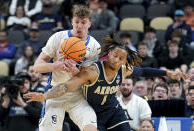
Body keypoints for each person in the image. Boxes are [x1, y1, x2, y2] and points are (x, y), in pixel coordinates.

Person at [24, 36, 188, 131]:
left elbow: (144, 71)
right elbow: (66, 86)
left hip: (113, 110)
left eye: (121, 58)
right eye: (115, 55)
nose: (116, 60)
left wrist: (169, 73)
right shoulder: (92, 71)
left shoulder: (124, 70)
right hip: (93, 114)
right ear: (109, 53)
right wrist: (45, 95)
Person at [25, 5, 101, 131]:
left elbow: (89, 80)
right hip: (54, 93)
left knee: (91, 128)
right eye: (77, 22)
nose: (79, 26)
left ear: (89, 24)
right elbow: (37, 67)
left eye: (83, 22)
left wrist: (75, 71)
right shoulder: (58, 38)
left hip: (78, 94)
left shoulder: (94, 47)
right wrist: (55, 65)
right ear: (72, 22)